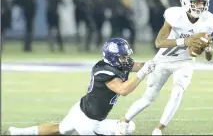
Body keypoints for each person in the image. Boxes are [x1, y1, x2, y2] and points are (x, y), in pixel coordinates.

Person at [117, 0, 213, 135]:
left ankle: (159, 129)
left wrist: (208, 48)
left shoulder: (208, 21)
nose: (200, 6)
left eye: (202, 3)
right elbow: (159, 42)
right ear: (186, 2)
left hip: (185, 62)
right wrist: (185, 41)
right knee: (148, 97)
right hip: (164, 59)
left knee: (178, 92)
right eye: (196, 2)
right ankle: (124, 121)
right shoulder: (175, 15)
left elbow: (209, 57)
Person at [8, 38, 155, 135]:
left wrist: (153, 63)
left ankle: (21, 132)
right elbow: (123, 90)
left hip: (79, 109)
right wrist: (143, 72)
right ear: (113, 57)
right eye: (123, 57)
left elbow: (138, 65)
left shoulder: (117, 64)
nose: (127, 60)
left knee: (60, 128)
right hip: (90, 122)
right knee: (128, 127)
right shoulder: (104, 71)